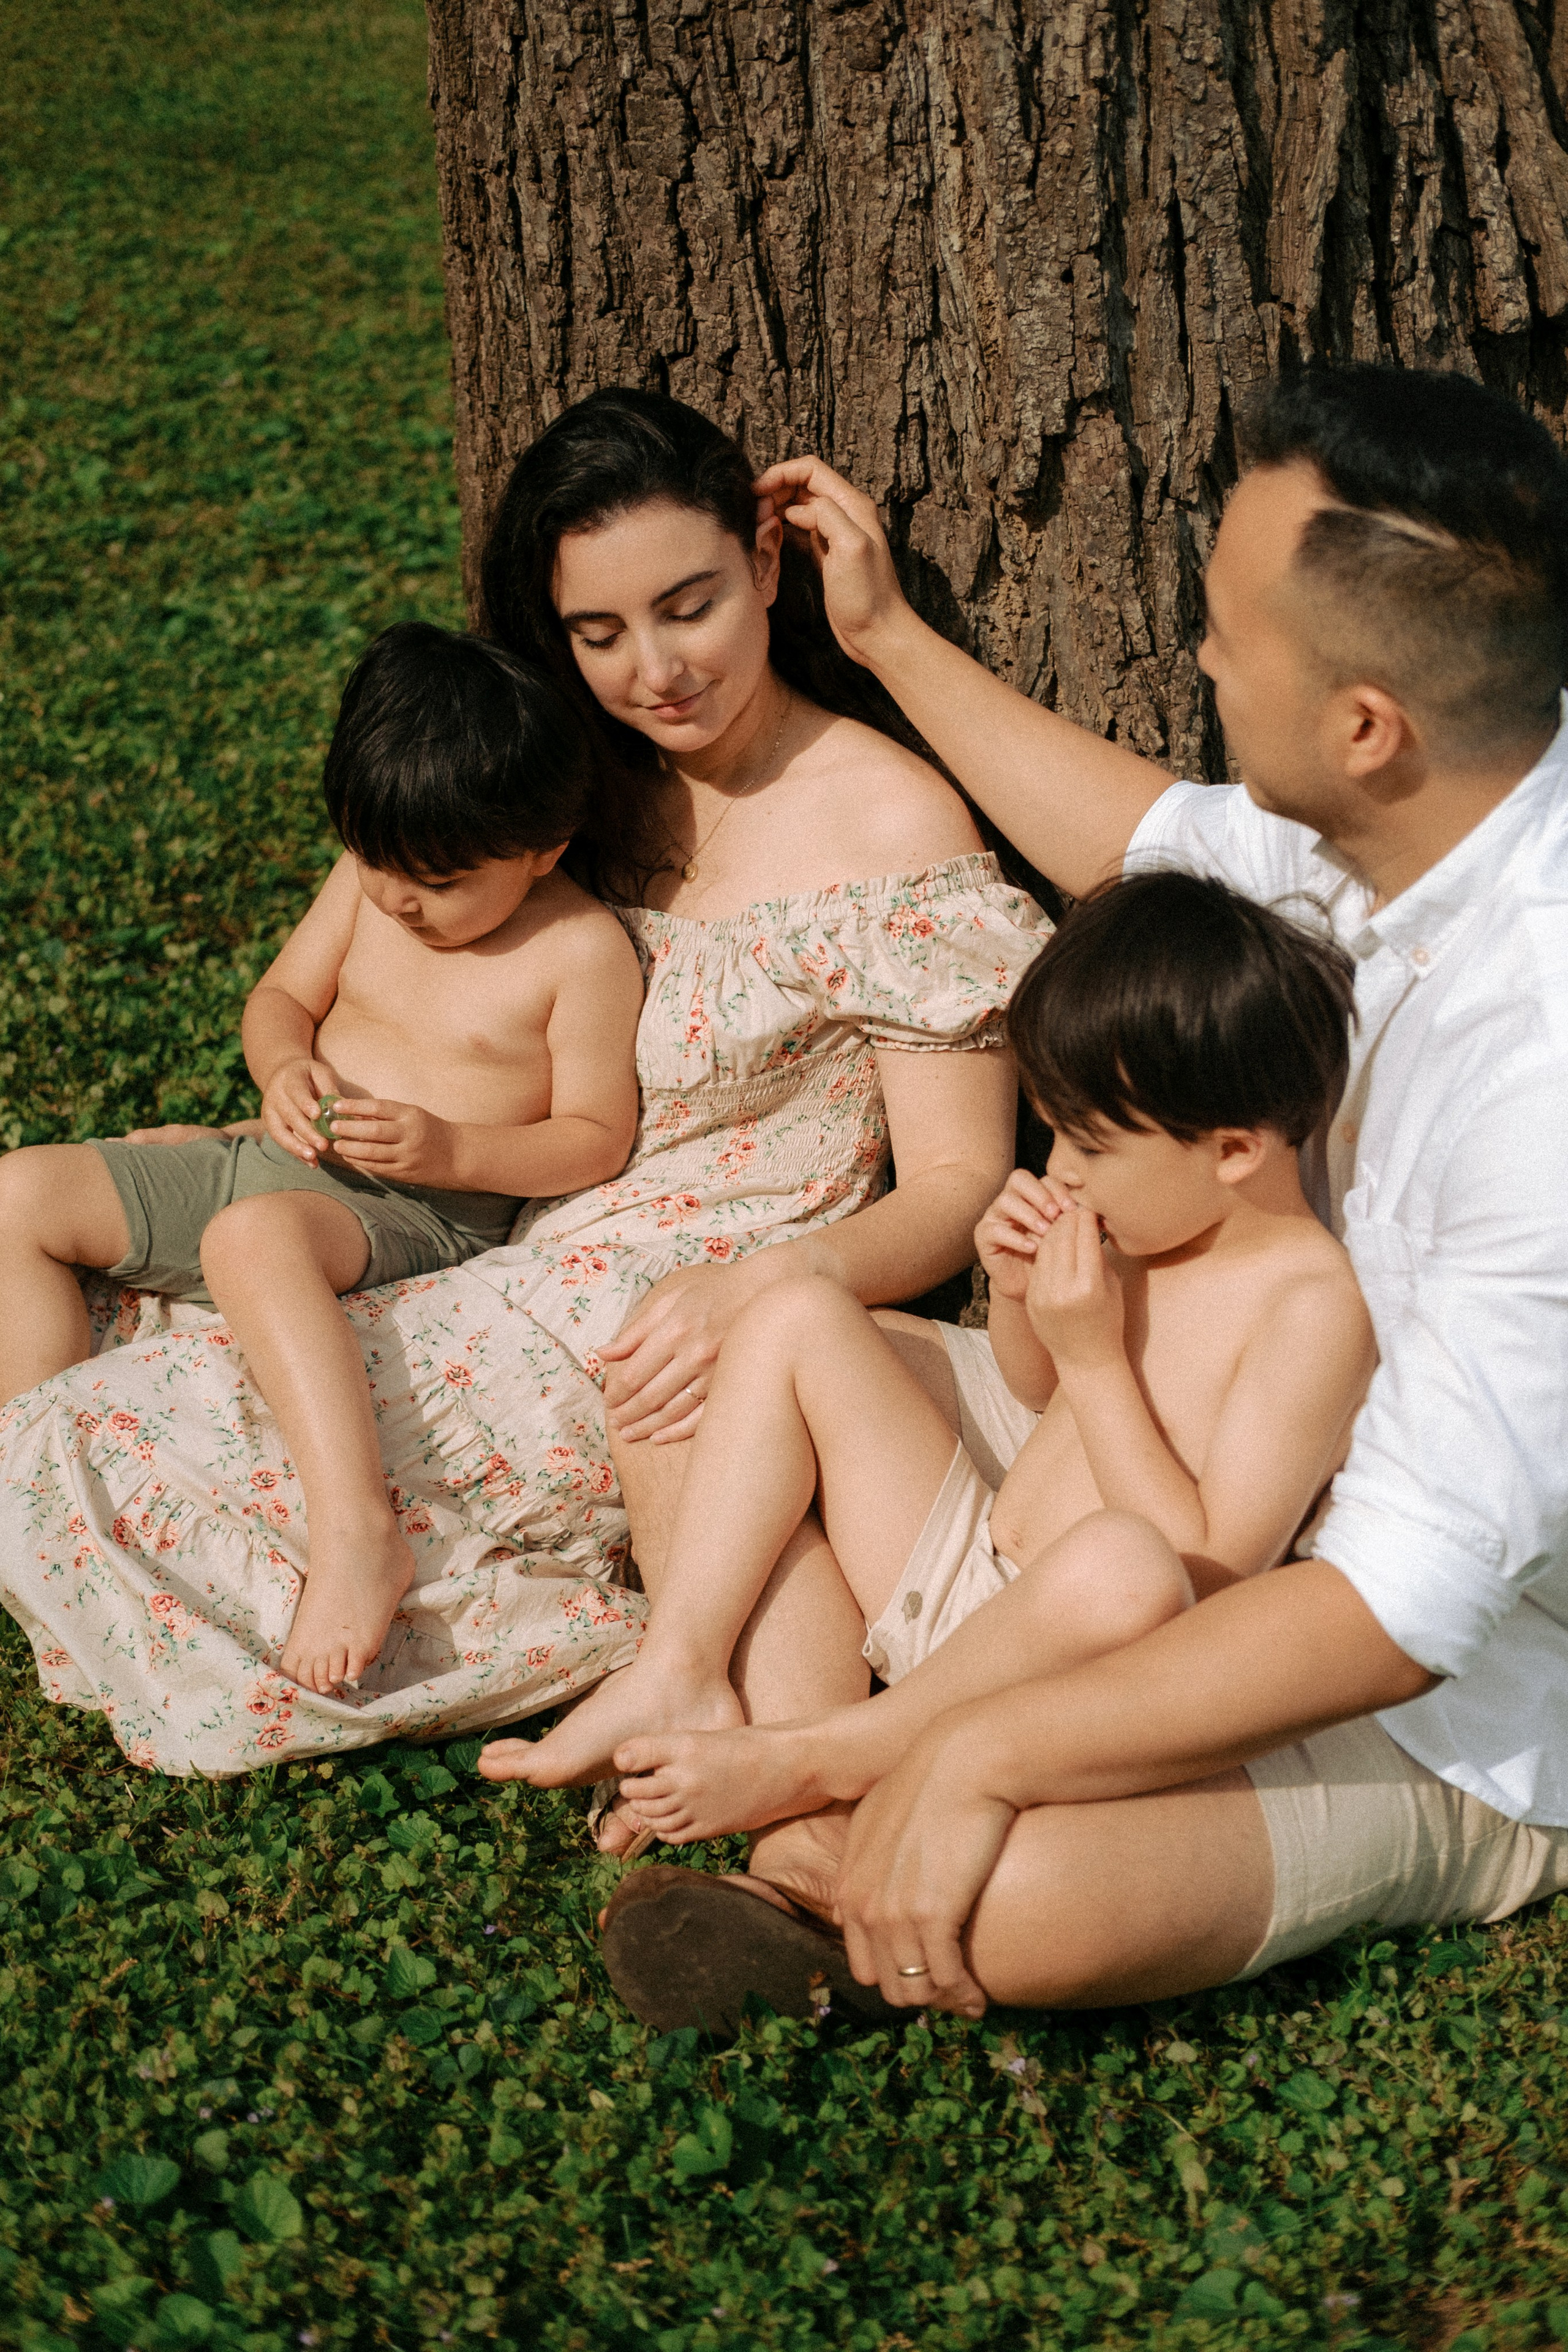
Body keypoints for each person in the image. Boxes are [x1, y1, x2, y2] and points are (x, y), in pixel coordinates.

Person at [594, 362, 1568, 2029]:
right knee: (693, 1376)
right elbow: (1146, 847)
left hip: (1430, 1685)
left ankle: (844, 1790)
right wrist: (885, 639)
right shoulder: (1415, 806)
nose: (1197, 661)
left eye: (1227, 635)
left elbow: (1402, 1611)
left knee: (1017, 1899)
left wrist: (989, 1757)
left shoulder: (1539, 1072)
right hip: (1153, 1478)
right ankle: (813, 1789)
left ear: (1364, 726)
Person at [0, 388, 1047, 1774]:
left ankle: (724, 1743)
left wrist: (768, 1286)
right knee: (89, 1335)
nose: (654, 672)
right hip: (497, 1236)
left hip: (678, 1286)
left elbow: (962, 1183)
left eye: (689, 607)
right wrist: (287, 1107)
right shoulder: (567, 781)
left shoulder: (887, 821)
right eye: (597, 633)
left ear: (765, 566)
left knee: (104, 1430)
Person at [514, 872, 1374, 1803]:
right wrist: (1019, 1296)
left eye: (1091, 1145)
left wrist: (1091, 1358)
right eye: (1055, 1136)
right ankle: (680, 1663)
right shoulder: (1163, 1220)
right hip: (978, 1559)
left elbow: (1213, 1588)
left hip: (1042, 1647)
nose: (1062, 1171)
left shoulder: (1311, 1310)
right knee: (797, 1315)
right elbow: (1036, 1392)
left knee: (1120, 1565)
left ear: (1235, 1150)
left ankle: (838, 1752)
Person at [0, 622, 645, 1697]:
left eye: (440, 880)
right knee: (18, 1191)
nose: (399, 899)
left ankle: (359, 1535)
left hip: (417, 1210)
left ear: (545, 847)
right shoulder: (370, 879)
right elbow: (281, 999)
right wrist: (284, 1067)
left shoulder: (577, 951)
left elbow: (595, 1137)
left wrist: (454, 1147)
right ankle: (32, 1473)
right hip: (275, 1155)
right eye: (380, 865)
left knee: (251, 1241)